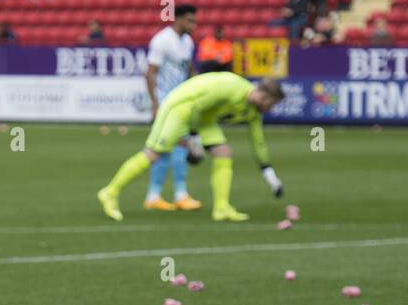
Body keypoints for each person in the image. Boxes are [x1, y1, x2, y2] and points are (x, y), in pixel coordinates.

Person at [97, 74, 285, 223]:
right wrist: (194, 141)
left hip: (204, 117)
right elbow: (196, 107)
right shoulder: (231, 86)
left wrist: (269, 173)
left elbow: (257, 141)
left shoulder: (253, 111)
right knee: (155, 153)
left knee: (223, 152)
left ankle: (221, 208)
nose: (270, 109)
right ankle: (109, 193)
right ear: (264, 96)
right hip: (181, 106)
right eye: (271, 104)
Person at [143, 4, 199, 212]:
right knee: (168, 147)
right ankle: (166, 194)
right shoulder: (162, 40)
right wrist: (155, 105)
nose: (194, 25)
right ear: (179, 19)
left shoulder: (187, 41)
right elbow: (150, 73)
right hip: (166, 102)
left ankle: (170, 194)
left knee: (177, 146)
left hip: (181, 102)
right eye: (190, 21)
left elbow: (189, 68)